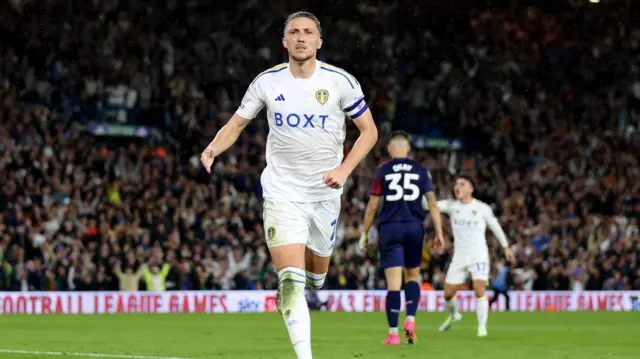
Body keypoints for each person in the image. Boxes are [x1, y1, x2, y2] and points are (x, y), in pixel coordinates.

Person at [200, 11, 378, 359]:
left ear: (319, 42)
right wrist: (212, 148)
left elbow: (369, 131)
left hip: (326, 194)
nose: (301, 37)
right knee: (292, 280)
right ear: (284, 41)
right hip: (283, 192)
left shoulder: (341, 82)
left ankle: (297, 290)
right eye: (294, 32)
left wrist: (344, 170)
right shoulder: (267, 82)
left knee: (316, 279)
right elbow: (237, 124)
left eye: (308, 32)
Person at [359, 131, 444, 345]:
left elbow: (372, 205)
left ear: (389, 149)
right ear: (408, 149)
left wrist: (365, 232)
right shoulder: (421, 171)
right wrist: (440, 233)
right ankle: (411, 319)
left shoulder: (382, 170)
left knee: (393, 284)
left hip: (390, 227)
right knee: (413, 276)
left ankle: (393, 334)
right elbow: (433, 203)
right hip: (415, 227)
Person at [437, 175, 515, 337]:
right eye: (456, 183)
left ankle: (482, 327)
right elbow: (428, 205)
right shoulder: (451, 206)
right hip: (459, 256)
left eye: (462, 184)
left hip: (478, 255)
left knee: (479, 289)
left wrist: (506, 247)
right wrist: (419, 191)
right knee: (448, 293)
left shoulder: (482, 208)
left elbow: (495, 227)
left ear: (470, 189)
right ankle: (454, 315)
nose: (457, 186)